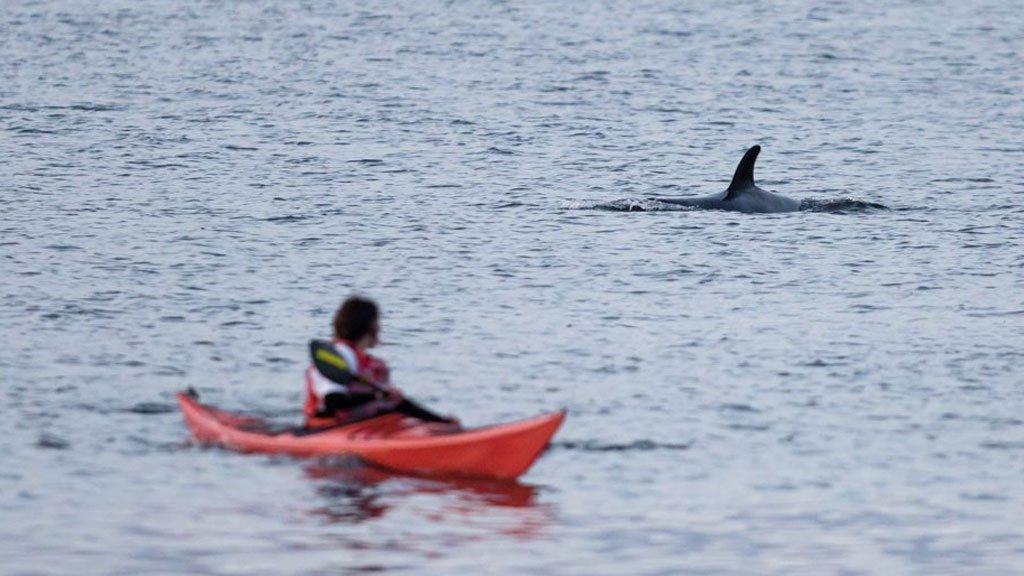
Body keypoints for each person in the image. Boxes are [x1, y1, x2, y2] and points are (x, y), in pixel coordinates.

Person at [303, 296, 453, 428]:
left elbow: (398, 404)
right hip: (329, 428)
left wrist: (440, 421)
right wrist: (377, 396)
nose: (380, 327)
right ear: (371, 327)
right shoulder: (339, 356)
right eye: (378, 321)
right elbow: (334, 402)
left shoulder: (367, 362)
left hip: (367, 424)